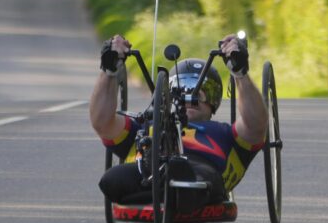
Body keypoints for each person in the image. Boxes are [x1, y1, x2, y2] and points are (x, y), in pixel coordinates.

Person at [90, 33, 267, 212]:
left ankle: (172, 183)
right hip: (149, 168)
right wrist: (108, 70)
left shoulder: (226, 134)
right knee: (111, 179)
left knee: (194, 179)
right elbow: (102, 122)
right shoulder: (144, 127)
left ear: (214, 100)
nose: (191, 95)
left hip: (201, 170)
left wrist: (240, 73)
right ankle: (166, 186)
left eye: (203, 90)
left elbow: (257, 125)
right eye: (180, 88)